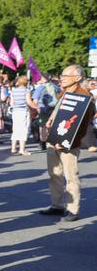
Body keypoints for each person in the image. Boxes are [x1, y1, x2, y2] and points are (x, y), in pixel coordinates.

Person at [39, 65, 95, 222]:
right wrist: (49, 122)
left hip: (68, 143)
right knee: (54, 174)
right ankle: (56, 205)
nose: (61, 78)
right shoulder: (63, 92)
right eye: (61, 75)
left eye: (65, 76)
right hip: (54, 139)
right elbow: (58, 111)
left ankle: (73, 209)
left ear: (77, 78)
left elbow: (84, 125)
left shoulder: (85, 97)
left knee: (71, 177)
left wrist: (68, 142)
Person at [9, 75, 36, 156]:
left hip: (15, 111)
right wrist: (36, 107)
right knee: (24, 130)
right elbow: (29, 102)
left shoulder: (13, 90)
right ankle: (22, 149)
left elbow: (11, 103)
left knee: (16, 129)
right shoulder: (26, 90)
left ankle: (13, 148)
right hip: (23, 111)